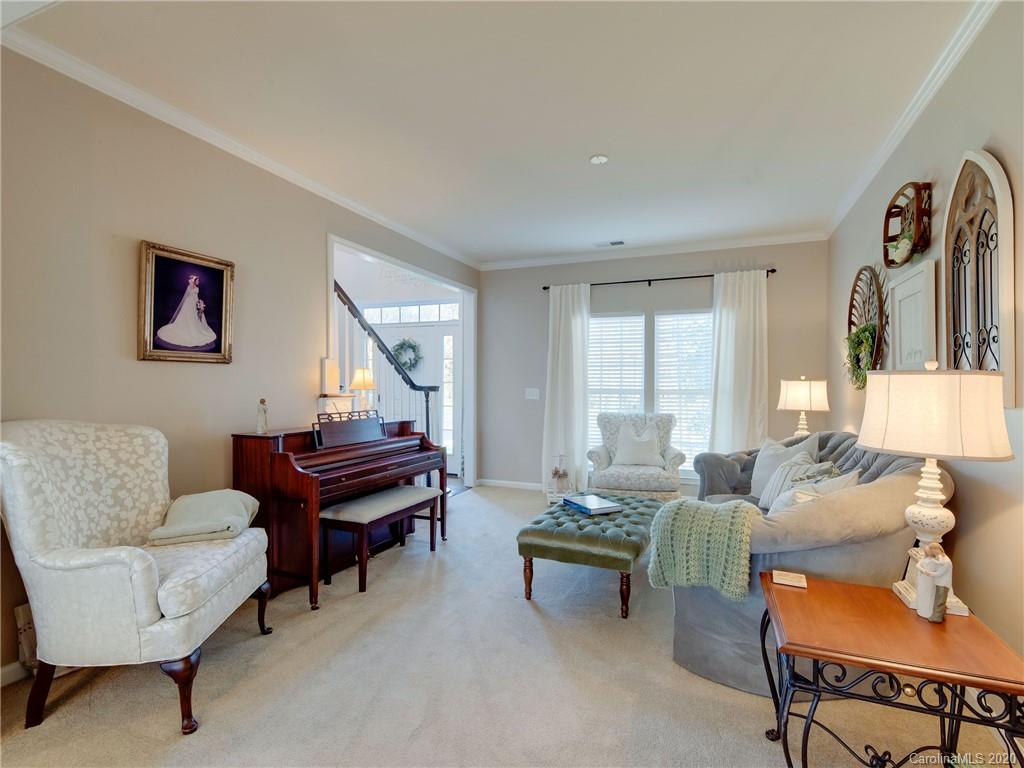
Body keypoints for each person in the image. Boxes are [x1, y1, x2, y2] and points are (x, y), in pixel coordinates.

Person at [156, 275, 217, 348]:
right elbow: (187, 295)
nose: (198, 282)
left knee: (195, 317)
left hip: (194, 302)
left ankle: (195, 328)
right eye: (197, 280)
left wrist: (199, 303)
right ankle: (187, 329)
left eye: (198, 281)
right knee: (187, 315)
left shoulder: (196, 288)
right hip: (189, 303)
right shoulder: (190, 287)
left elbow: (196, 296)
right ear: (194, 281)